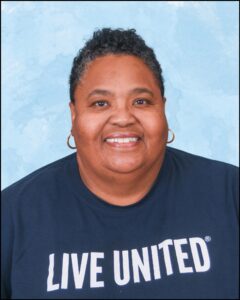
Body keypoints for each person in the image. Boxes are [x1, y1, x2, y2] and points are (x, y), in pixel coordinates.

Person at [1, 28, 239, 299]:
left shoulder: (230, 194)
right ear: (74, 115)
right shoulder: (12, 219)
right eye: (100, 103)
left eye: (141, 101)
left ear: (163, 108)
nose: (123, 118)